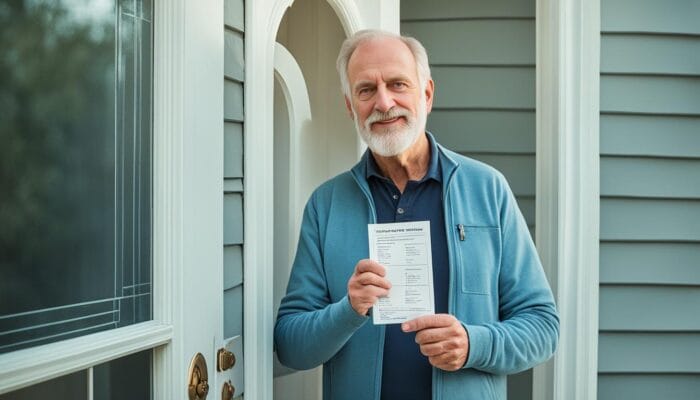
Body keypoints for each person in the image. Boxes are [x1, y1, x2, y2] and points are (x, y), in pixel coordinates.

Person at [274, 29, 559, 400]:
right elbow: (291, 345)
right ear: (349, 106)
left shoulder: (487, 189)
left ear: (426, 94)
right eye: (366, 90)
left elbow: (542, 327)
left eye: (397, 84)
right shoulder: (326, 205)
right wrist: (348, 309)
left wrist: (475, 344)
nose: (383, 102)